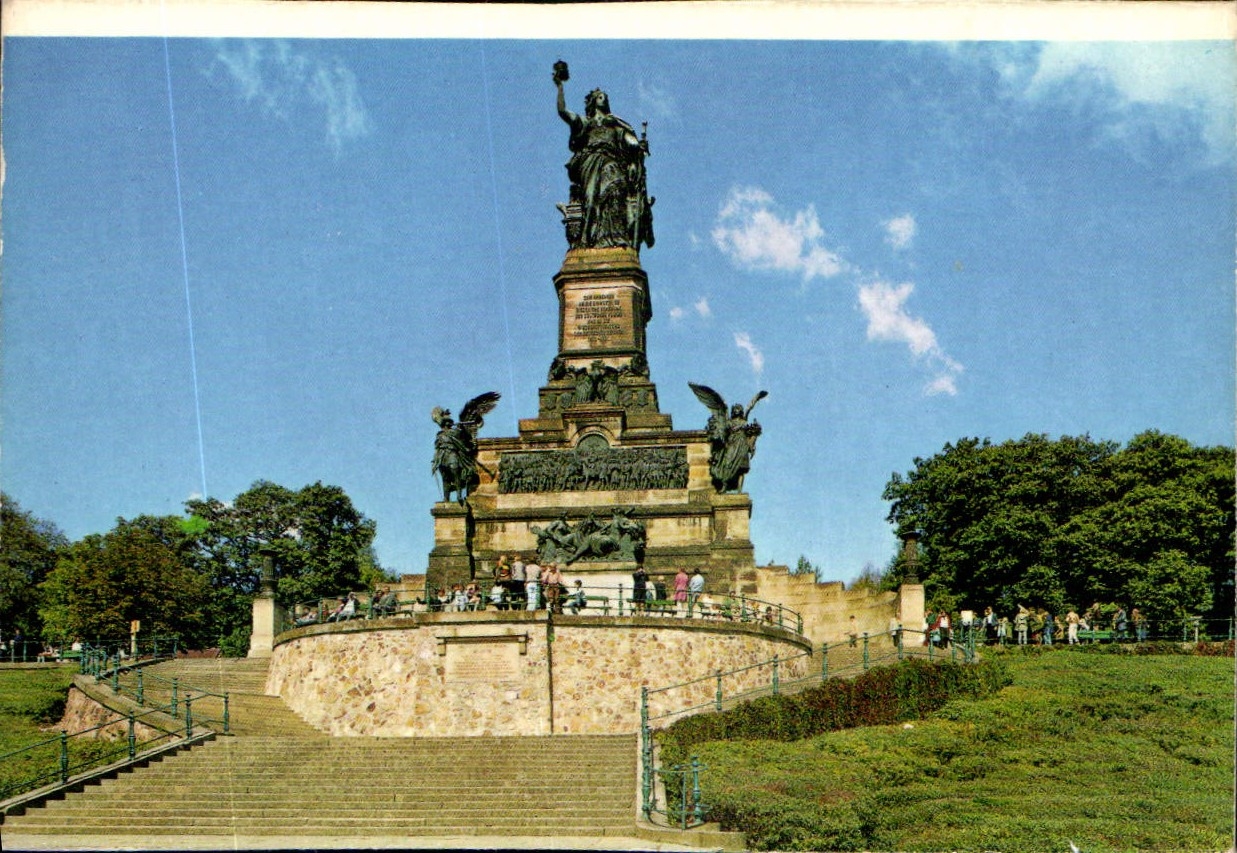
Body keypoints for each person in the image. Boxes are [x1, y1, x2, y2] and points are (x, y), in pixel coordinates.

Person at [554, 63, 654, 251]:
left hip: (611, 162)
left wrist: (638, 147)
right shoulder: (585, 123)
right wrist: (560, 86)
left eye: (605, 98)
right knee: (591, 200)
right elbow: (562, 111)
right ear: (593, 102)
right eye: (600, 97)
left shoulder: (615, 125)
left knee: (615, 192)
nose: (604, 99)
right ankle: (587, 239)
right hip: (591, 161)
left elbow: (629, 141)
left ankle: (615, 237)